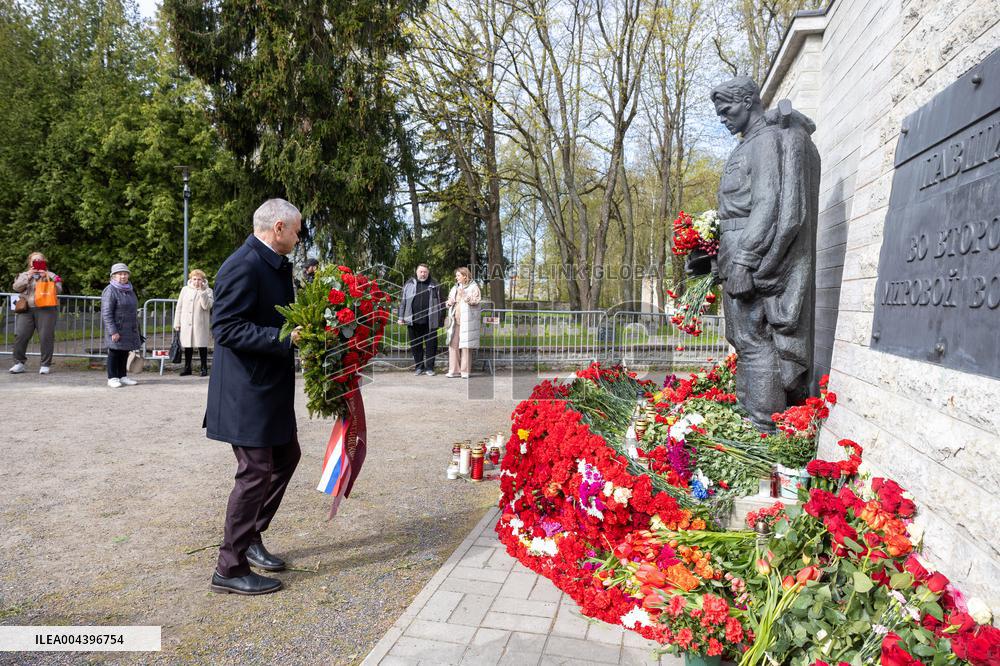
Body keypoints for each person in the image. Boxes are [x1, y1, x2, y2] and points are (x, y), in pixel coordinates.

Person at [707, 76, 820, 430]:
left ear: (747, 102)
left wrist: (744, 260)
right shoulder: (750, 142)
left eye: (727, 111)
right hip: (736, 250)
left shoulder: (765, 141)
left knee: (755, 339)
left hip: (749, 255)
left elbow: (769, 204)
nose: (723, 118)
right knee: (741, 338)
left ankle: (763, 425)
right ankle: (750, 413)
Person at [205, 198, 303, 596]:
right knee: (255, 472)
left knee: (287, 456)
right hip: (245, 392)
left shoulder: (273, 264)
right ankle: (229, 566)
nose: (299, 237)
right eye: (296, 229)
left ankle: (251, 536)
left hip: (267, 388)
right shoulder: (242, 264)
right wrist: (284, 337)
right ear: (277, 227)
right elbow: (225, 328)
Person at [10, 252, 63, 375]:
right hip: (26, 309)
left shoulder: (52, 275)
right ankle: (19, 363)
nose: (37, 262)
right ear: (30, 262)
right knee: (20, 335)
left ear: (44, 261)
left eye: (40, 260)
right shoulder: (24, 275)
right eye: (34, 260)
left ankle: (45, 364)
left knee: (46, 337)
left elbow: (59, 290)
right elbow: (16, 287)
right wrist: (28, 277)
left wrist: (47, 278)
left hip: (46, 309)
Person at [397, 264, 444, 376]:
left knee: (431, 346)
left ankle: (429, 368)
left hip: (430, 321)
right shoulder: (409, 284)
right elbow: (403, 302)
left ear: (428, 273)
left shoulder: (434, 284)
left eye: (425, 272)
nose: (423, 274)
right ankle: (419, 367)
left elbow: (441, 303)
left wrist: (441, 320)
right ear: (417, 272)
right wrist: (401, 317)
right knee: (416, 346)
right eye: (421, 272)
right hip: (413, 321)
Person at [101, 263, 142, 388]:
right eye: (119, 274)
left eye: (125, 274)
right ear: (113, 276)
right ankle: (112, 377)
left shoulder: (130, 289)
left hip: (129, 328)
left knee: (124, 352)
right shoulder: (110, 290)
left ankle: (122, 376)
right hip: (116, 327)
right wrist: (113, 331)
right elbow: (106, 313)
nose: (123, 276)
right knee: (114, 352)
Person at [173, 269, 215, 377]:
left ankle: (204, 368)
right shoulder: (185, 290)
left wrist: (202, 292)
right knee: (188, 346)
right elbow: (179, 307)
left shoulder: (208, 291)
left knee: (202, 346)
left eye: (199, 279)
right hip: (186, 323)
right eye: (194, 279)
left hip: (200, 323)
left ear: (203, 280)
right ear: (191, 279)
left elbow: (207, 306)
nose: (196, 281)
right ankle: (187, 368)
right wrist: (177, 323)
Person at [445, 267, 482, 379]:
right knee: (453, 345)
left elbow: (476, 301)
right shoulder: (454, 288)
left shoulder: (474, 287)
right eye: (456, 276)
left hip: (468, 322)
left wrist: (465, 295)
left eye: (458, 276)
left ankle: (465, 372)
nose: (456, 278)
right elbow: (448, 301)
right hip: (454, 320)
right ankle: (454, 370)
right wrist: (449, 302)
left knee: (466, 346)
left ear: (465, 276)